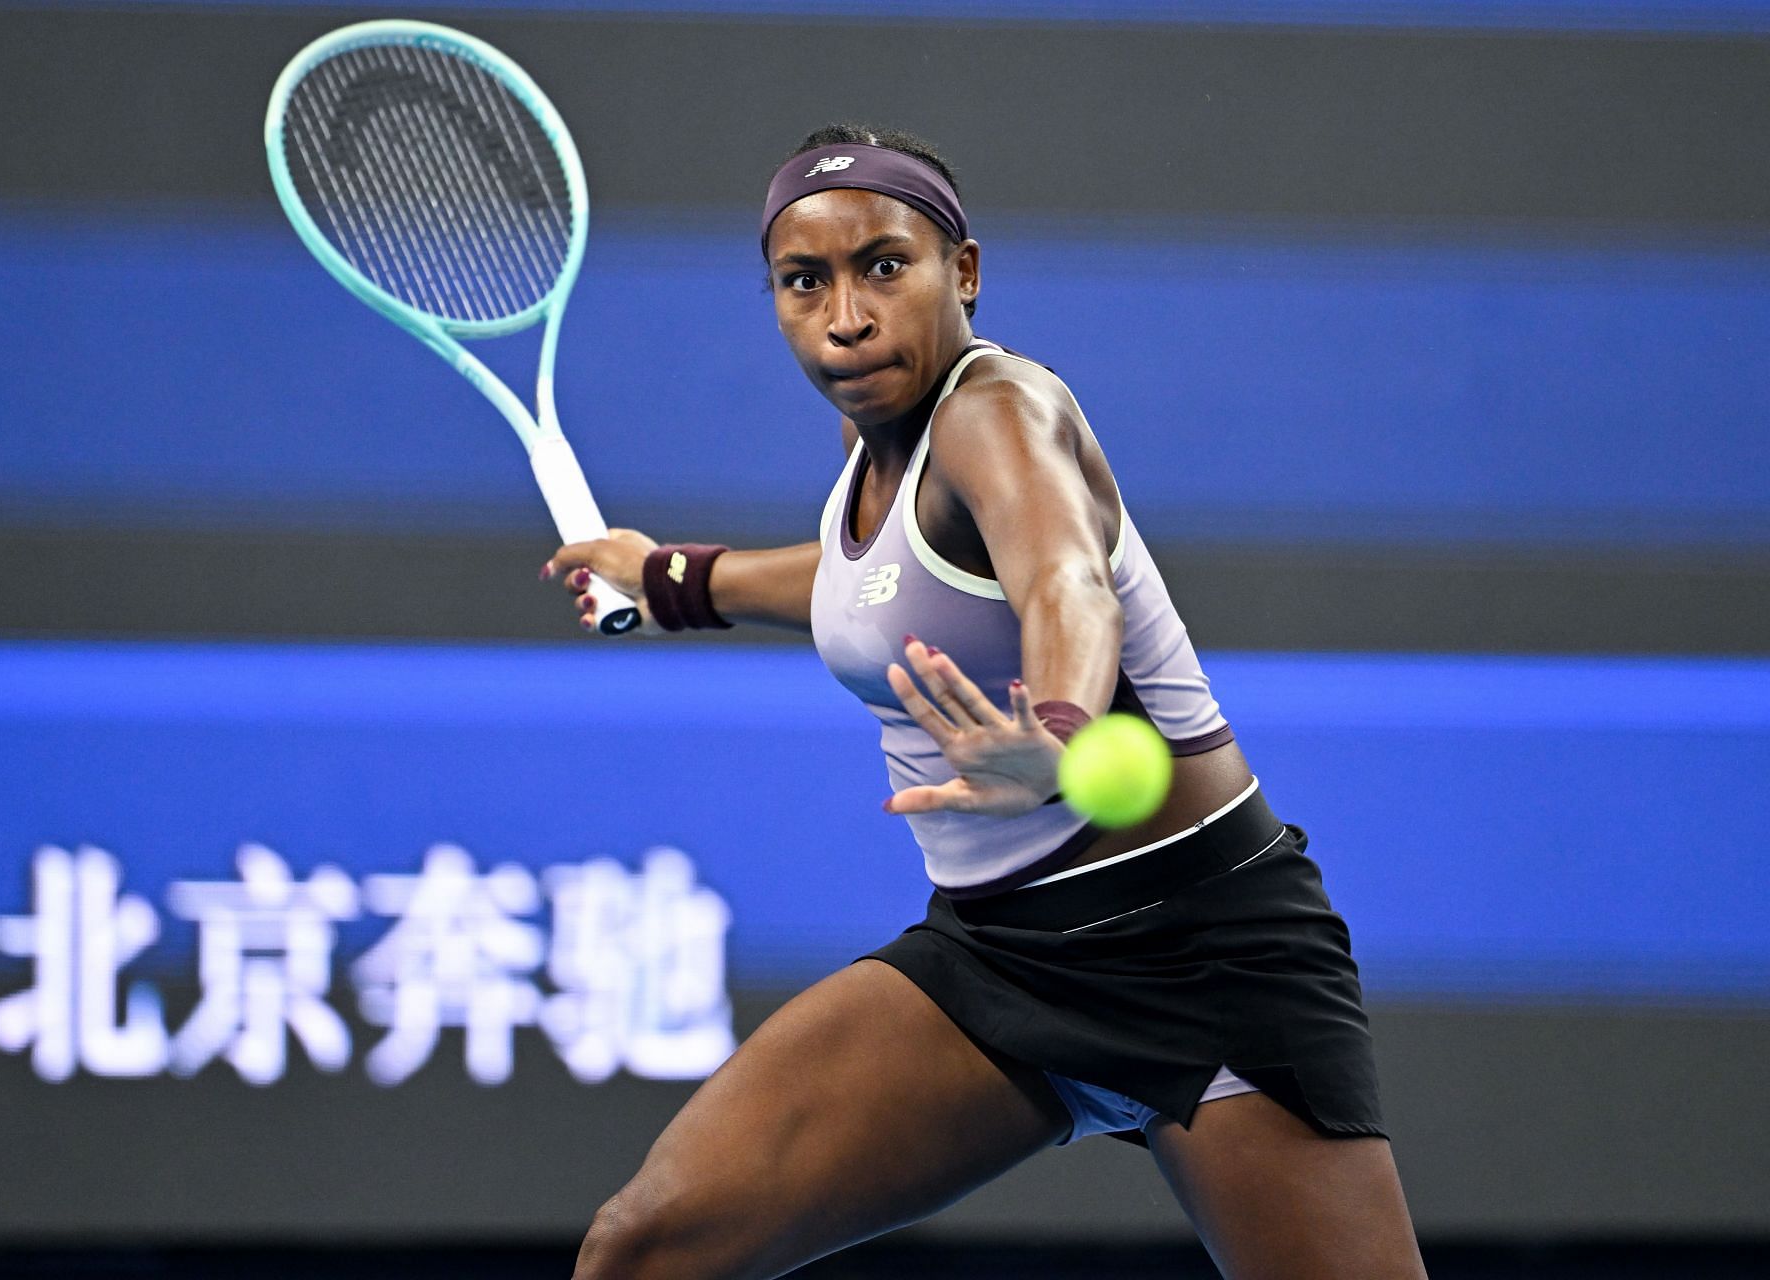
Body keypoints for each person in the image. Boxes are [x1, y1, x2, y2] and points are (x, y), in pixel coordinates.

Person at [543, 124, 1429, 1280]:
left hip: (1198, 952)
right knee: (643, 1247)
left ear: (961, 270)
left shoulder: (996, 410)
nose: (846, 316)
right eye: (804, 282)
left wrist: (1058, 734)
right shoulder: (878, 458)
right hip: (998, 961)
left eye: (883, 266)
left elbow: (1061, 572)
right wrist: (672, 580)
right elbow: (863, 579)